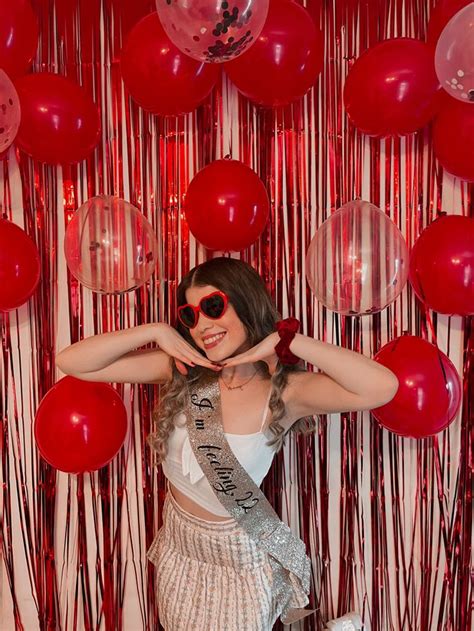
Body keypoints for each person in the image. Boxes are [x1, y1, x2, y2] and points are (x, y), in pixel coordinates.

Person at [56, 257, 399, 630]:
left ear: (245, 301)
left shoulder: (285, 391)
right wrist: (154, 331)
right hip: (180, 551)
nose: (203, 325)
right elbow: (73, 362)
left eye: (214, 307)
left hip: (239, 565)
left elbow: (382, 388)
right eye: (190, 316)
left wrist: (288, 341)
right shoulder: (183, 369)